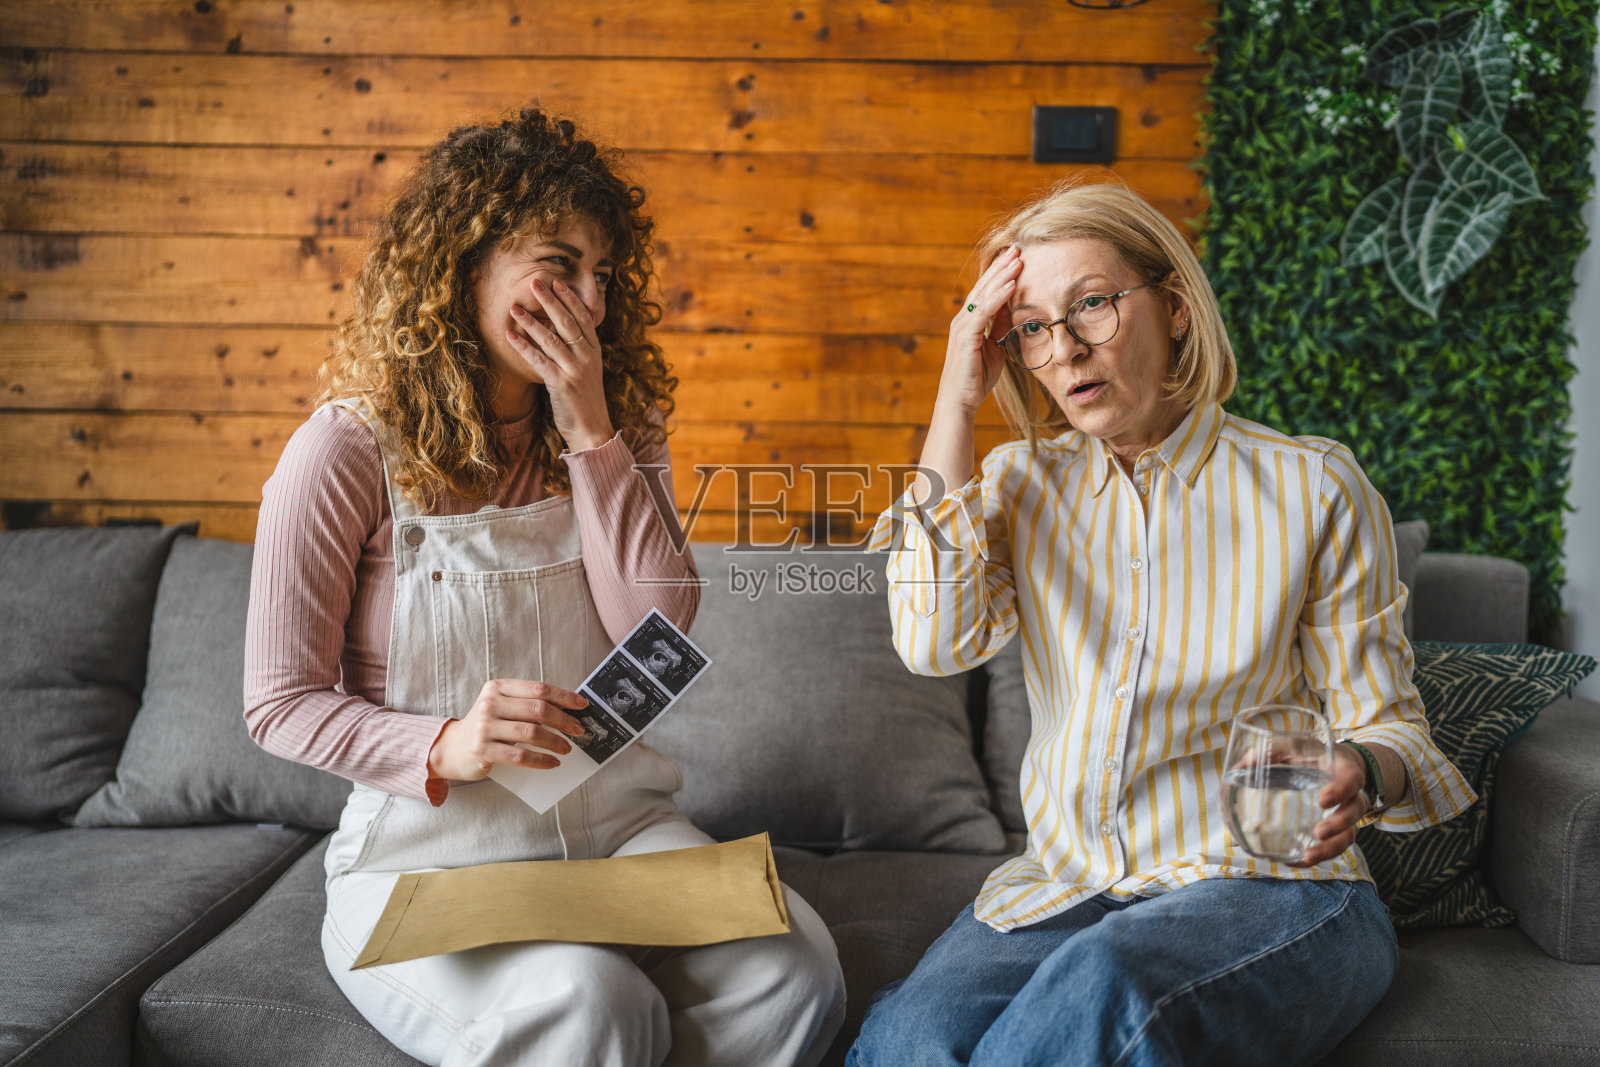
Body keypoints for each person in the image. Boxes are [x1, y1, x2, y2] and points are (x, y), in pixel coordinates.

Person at [244, 107, 844, 1067]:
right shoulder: (344, 451)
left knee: (796, 968)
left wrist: (590, 428)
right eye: (557, 265)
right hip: (426, 854)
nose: (589, 302)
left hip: (621, 827)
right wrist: (446, 740)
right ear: (464, 264)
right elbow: (277, 704)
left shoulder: (617, 424)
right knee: (587, 999)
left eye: (602, 276)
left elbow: (659, 624)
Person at [850, 181, 1475, 1066]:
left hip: (1273, 886)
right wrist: (955, 397)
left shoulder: (1315, 488)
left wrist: (1362, 767)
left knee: (1108, 983)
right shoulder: (1020, 483)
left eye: (1093, 306)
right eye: (1031, 327)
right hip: (1068, 887)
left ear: (1175, 309)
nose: (1064, 350)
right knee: (905, 1039)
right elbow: (931, 640)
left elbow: (1390, 727)